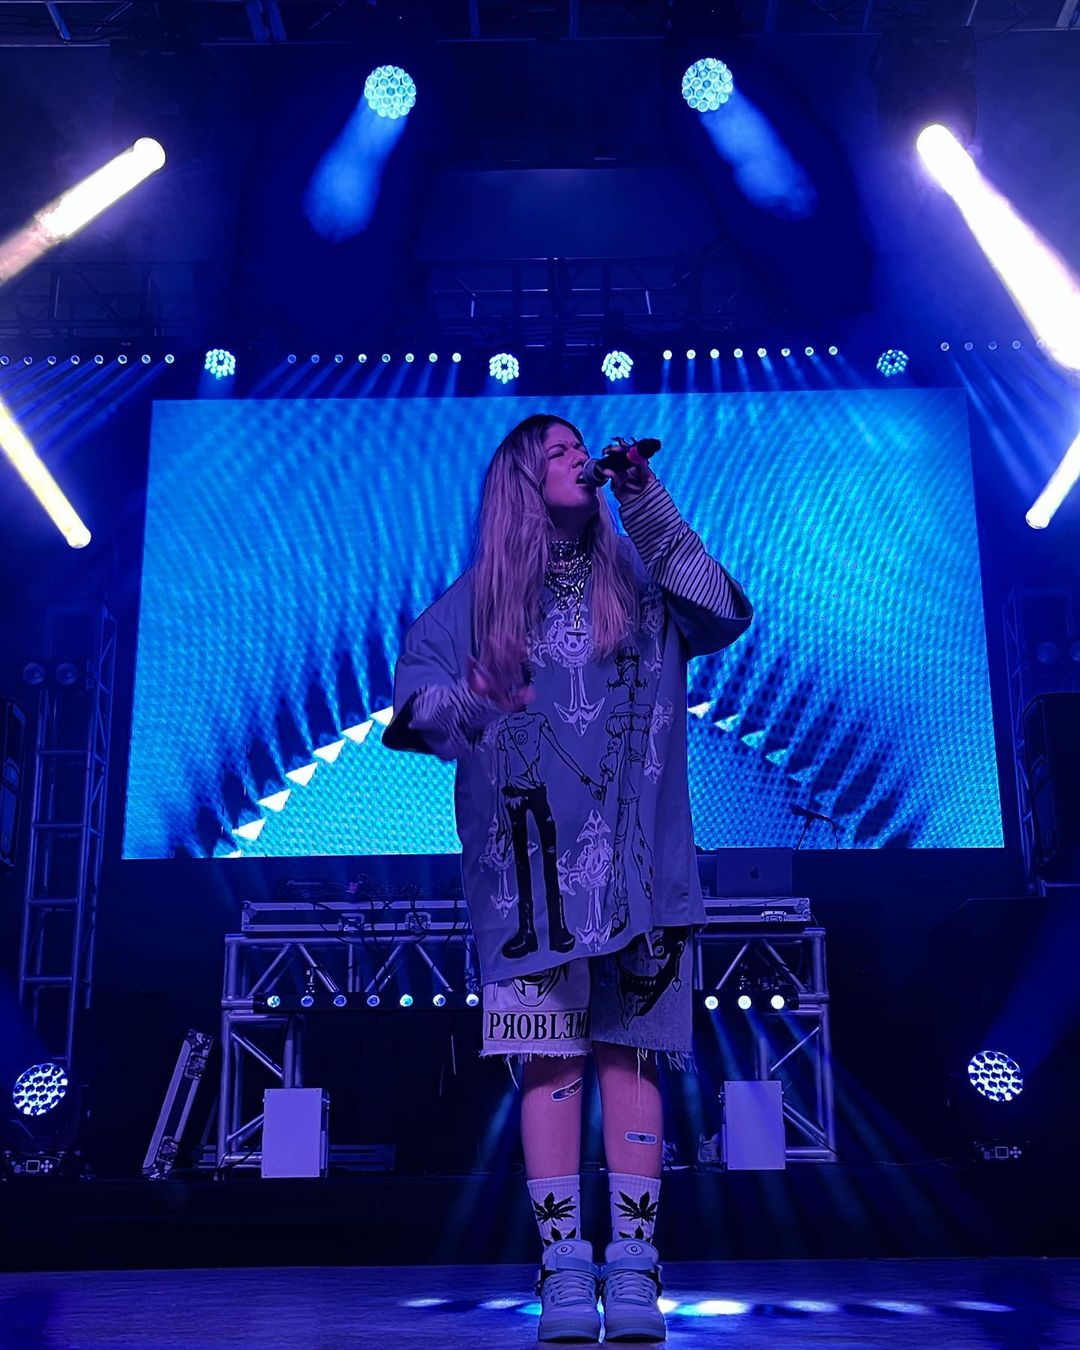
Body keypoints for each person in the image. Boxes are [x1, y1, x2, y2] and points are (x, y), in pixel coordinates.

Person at [384, 413, 752, 1343]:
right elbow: (417, 711)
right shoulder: (477, 604)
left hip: (641, 870)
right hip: (529, 886)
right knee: (549, 1060)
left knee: (632, 1055)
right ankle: (562, 1268)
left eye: (582, 448)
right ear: (521, 480)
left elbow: (722, 609)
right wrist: (474, 694)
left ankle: (634, 1266)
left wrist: (645, 499)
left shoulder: (639, 584)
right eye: (557, 451)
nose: (578, 458)